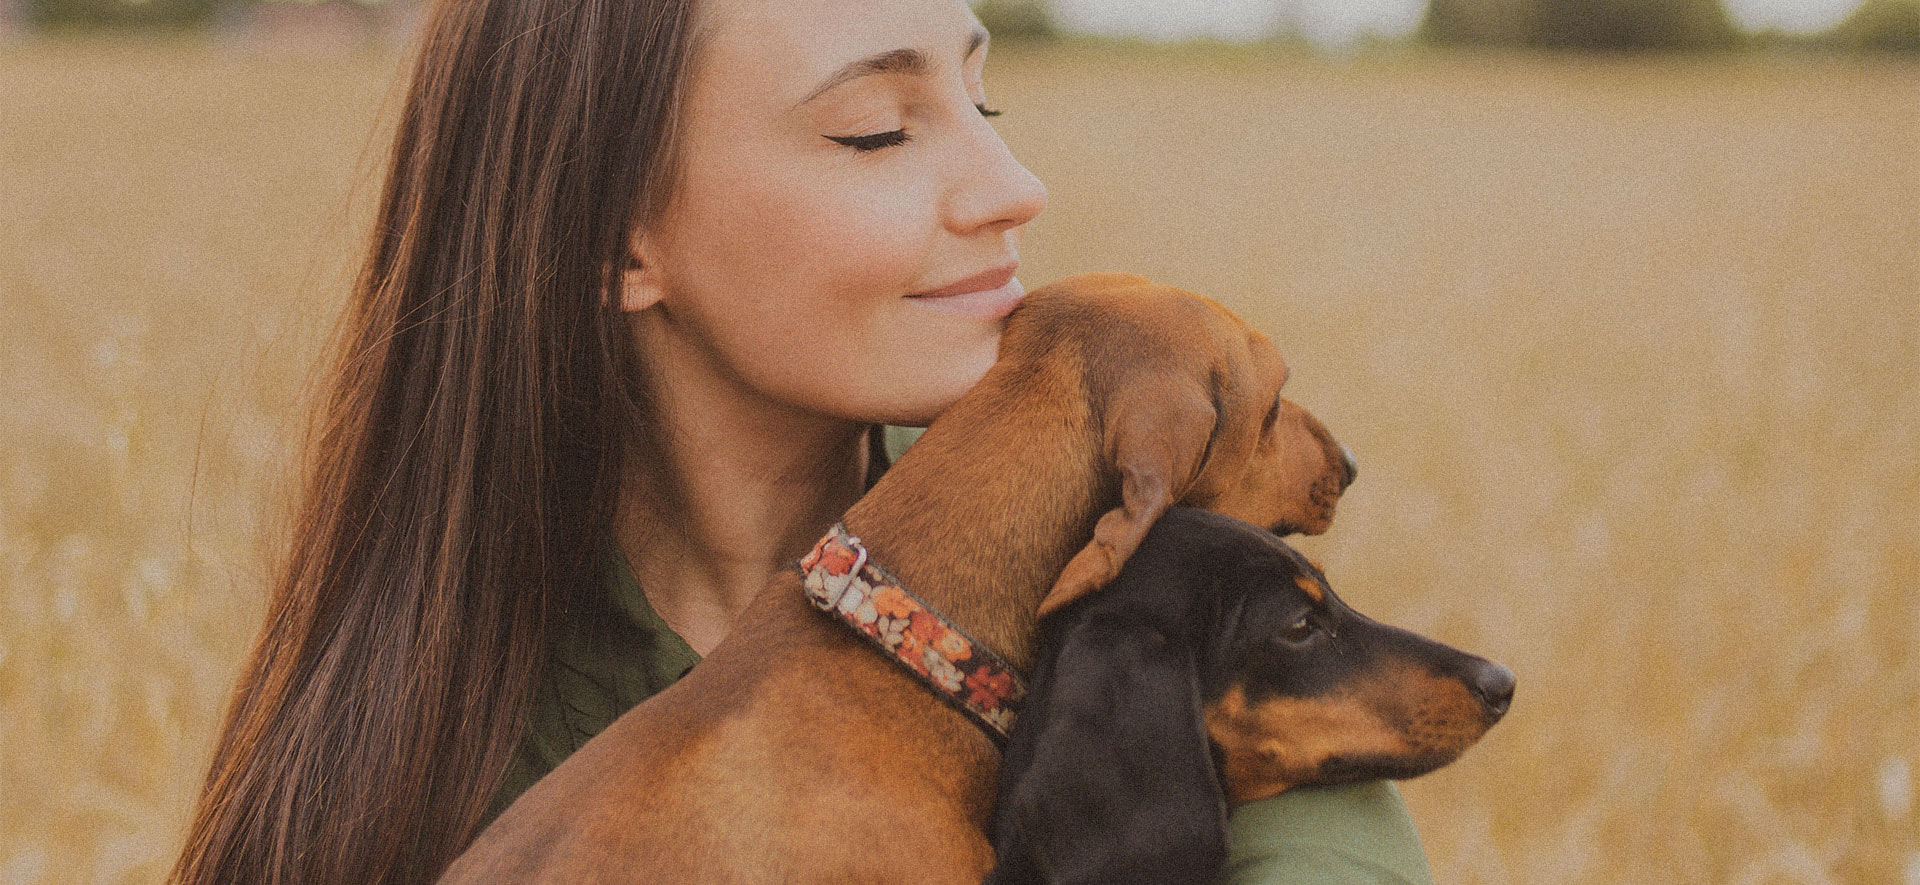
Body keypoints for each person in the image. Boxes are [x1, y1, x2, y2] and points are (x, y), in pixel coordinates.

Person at [169, 0, 1431, 882]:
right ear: (618, 240)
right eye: (878, 128)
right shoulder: (418, 734)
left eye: (983, 94)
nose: (1011, 183)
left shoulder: (1144, 581)